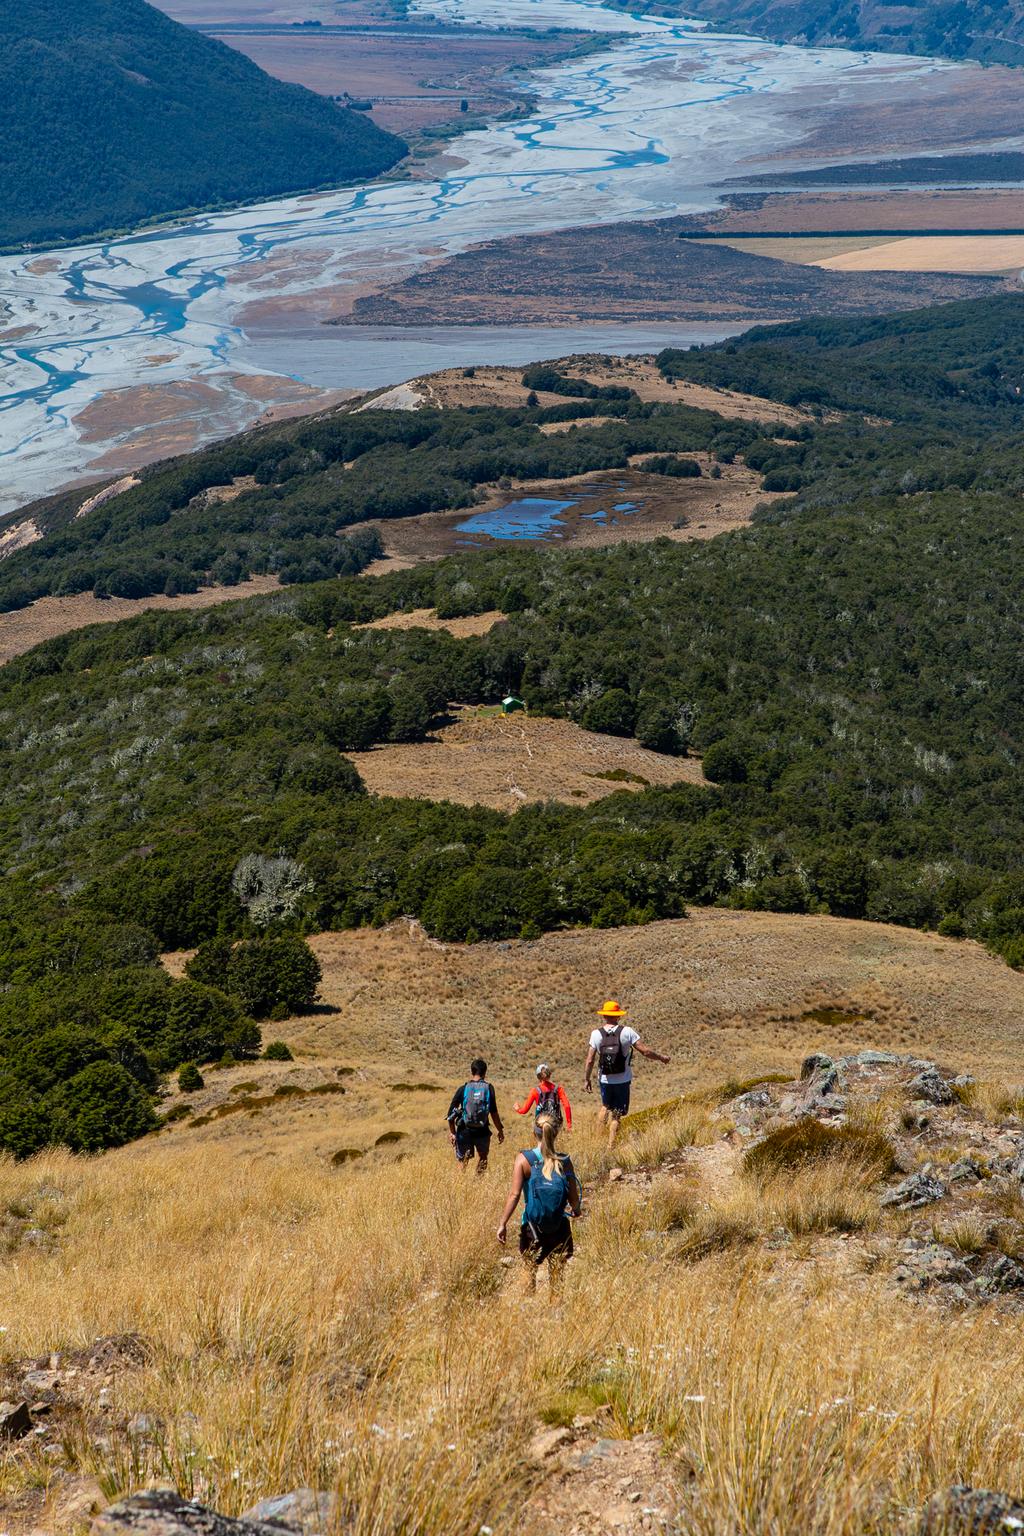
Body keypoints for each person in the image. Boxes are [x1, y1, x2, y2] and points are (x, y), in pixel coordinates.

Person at [497, 1114, 581, 1295]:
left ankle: (529, 1313)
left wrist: (502, 1223)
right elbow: (574, 1199)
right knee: (557, 1276)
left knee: (530, 1271)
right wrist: (576, 1209)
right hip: (559, 1227)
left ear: (534, 1133)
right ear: (556, 1134)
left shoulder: (524, 1159)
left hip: (532, 1227)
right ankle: (556, 1312)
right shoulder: (564, 1161)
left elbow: (514, 1195)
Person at [584, 1000, 669, 1146]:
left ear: (604, 1015)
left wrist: (587, 1079)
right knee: (616, 1113)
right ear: (618, 1016)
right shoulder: (627, 1032)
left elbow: (590, 1060)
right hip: (622, 1079)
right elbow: (645, 1051)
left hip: (605, 1079)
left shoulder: (596, 1034)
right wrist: (661, 1057)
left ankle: (597, 1142)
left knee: (605, 1105)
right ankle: (611, 1145)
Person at [446, 1057, 504, 1172]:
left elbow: (450, 1115)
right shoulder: (489, 1088)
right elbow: (494, 1113)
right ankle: (478, 1182)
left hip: (464, 1130)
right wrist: (500, 1130)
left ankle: (459, 1185)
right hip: (482, 1131)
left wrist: (453, 1132)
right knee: (483, 1157)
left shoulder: (463, 1089)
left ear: (472, 1072)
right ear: (485, 1073)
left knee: (463, 1160)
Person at [513, 1063, 572, 1134]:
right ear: (549, 1074)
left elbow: (524, 1110)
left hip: (540, 1125)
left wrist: (518, 1109)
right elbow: (567, 1106)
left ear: (538, 1077)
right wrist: (569, 1125)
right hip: (556, 1124)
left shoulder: (535, 1091)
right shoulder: (558, 1089)